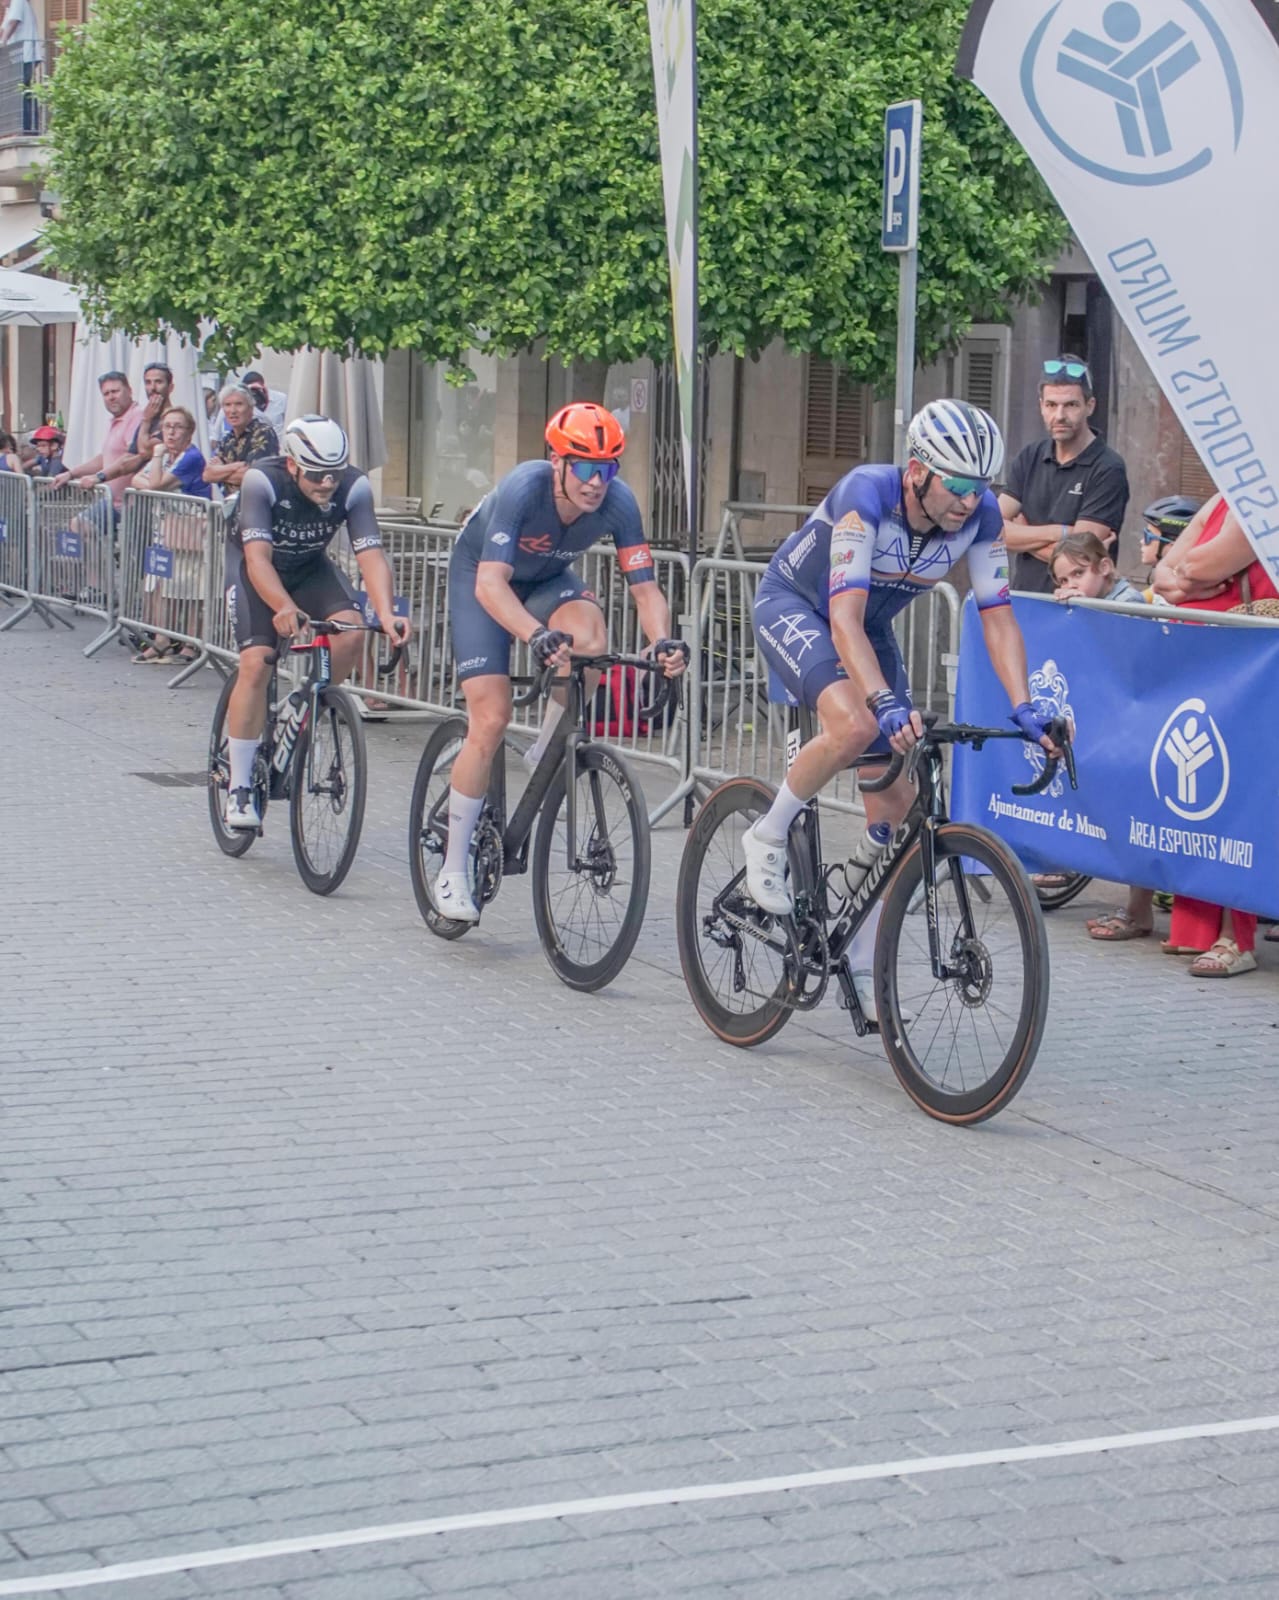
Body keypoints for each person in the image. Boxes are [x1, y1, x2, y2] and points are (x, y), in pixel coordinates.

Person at [744, 400, 1061, 1020]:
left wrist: (1025, 706)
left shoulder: (983, 518)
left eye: (982, 486)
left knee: (893, 808)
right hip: (799, 607)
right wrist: (884, 700)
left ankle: (861, 962)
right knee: (859, 721)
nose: (972, 500)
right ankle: (768, 831)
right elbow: (841, 618)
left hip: (870, 625)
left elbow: (998, 617)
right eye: (960, 485)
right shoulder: (867, 495)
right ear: (918, 471)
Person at [436, 401, 688, 923]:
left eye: (609, 468)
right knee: (491, 717)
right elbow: (489, 583)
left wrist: (662, 642)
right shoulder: (524, 487)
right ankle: (453, 868)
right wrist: (533, 634)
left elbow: (645, 591)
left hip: (548, 579)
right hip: (482, 577)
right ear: (558, 461)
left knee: (593, 638)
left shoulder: (618, 503)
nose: (598, 482)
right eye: (587, 467)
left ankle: (549, 744)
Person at [221, 415, 411, 829]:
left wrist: (386, 611)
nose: (327, 483)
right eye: (316, 474)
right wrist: (283, 607)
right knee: (257, 660)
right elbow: (257, 560)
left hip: (309, 568)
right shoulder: (262, 480)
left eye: (334, 473)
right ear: (292, 465)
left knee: (349, 632)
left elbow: (370, 554)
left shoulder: (354, 487)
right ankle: (238, 783)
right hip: (256, 570)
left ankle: (310, 702)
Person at [1146, 491, 1277, 975]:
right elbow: (1166, 572)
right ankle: (1199, 926)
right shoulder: (1229, 492)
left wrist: (1190, 574)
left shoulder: (1266, 495)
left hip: (1250, 661)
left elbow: (1197, 564)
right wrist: (1190, 575)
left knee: (1235, 794)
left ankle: (1235, 937)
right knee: (1203, 791)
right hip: (1212, 651)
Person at [1084, 496, 1200, 945]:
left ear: (1170, 542)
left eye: (1149, 536)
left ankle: (1143, 910)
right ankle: (1140, 909)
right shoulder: (1152, 588)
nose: (1142, 543)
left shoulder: (1189, 588)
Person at [998, 357, 1130, 595]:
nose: (1059, 415)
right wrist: (1061, 533)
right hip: (1026, 600)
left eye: (1071, 405)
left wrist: (1022, 537)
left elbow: (1078, 557)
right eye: (1051, 405)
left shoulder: (1108, 468)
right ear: (1041, 406)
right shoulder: (1030, 456)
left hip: (1079, 608)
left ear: (1090, 406)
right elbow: (991, 529)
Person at [129, 406, 212, 664]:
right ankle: (161, 640)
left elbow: (153, 485)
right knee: (158, 585)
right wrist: (156, 468)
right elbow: (136, 479)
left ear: (189, 432)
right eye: (167, 426)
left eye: (178, 427)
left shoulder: (191, 457)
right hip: (164, 530)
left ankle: (190, 643)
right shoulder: (165, 457)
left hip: (190, 528)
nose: (171, 432)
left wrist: (155, 458)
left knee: (190, 589)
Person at [52, 371, 143, 513]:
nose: (111, 397)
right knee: (79, 526)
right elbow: (104, 459)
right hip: (111, 501)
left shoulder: (136, 416)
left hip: (131, 505)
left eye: (115, 391)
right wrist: (71, 474)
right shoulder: (115, 420)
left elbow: (130, 458)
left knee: (80, 525)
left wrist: (97, 477)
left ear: (129, 391)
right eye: (106, 394)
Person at [203, 385, 278, 495]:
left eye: (239, 404)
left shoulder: (263, 432)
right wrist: (236, 466)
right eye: (227, 405)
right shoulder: (228, 439)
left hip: (257, 505)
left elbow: (252, 476)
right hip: (231, 507)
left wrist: (221, 471)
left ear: (251, 408)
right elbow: (207, 474)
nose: (233, 410)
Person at [1049, 531, 1145, 604]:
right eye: (1063, 581)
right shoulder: (1072, 603)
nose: (1071, 586)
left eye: (1078, 573)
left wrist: (1085, 610)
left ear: (1104, 567)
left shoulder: (1129, 601)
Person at [1138, 494, 1200, 599]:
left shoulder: (1182, 589)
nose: (1142, 541)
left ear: (1173, 546)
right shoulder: (1166, 581)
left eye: (1148, 535)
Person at [0, 0, 42, 135]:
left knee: (21, 91)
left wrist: (3, 41)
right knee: (26, 91)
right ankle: (31, 128)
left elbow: (13, 22)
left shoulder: (18, 1)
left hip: (27, 55)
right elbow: (3, 28)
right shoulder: (9, 8)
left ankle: (27, 128)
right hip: (20, 58)